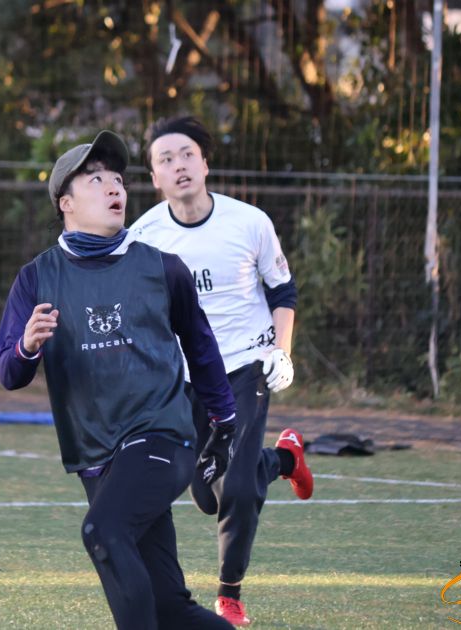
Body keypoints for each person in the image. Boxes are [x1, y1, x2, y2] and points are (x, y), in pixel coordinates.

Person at [0, 131, 237, 629]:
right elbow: (8, 372)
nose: (114, 188)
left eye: (119, 180)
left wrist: (225, 421)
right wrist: (27, 346)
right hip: (95, 455)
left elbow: (202, 348)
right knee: (169, 609)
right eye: (96, 180)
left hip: (162, 436)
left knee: (101, 532)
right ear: (65, 203)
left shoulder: (164, 268)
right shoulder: (36, 278)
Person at [131, 116, 314, 627]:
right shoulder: (144, 237)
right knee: (207, 495)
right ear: (155, 177)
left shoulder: (249, 222)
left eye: (187, 154)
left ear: (205, 163)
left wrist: (282, 352)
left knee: (234, 488)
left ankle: (229, 595)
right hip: (186, 379)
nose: (179, 165)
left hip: (246, 366)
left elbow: (282, 290)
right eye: (165, 159)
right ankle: (284, 459)